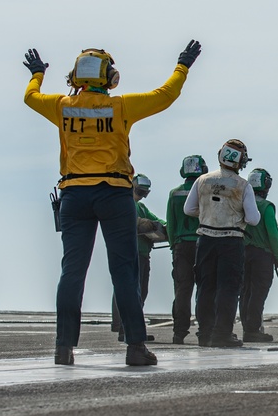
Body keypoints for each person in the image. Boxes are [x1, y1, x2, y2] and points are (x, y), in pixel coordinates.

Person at [22, 40, 201, 365]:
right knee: (124, 271)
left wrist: (37, 74)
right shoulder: (120, 107)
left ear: (74, 78)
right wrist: (182, 65)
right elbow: (165, 95)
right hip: (114, 192)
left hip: (74, 194)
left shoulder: (62, 106)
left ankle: (63, 347)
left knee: (72, 272)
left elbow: (30, 97)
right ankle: (135, 347)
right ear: (110, 78)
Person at [184, 139, 260, 348]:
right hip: (231, 241)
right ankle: (222, 334)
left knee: (205, 287)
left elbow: (188, 210)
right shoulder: (243, 186)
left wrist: (208, 213)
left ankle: (204, 334)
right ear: (241, 161)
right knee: (228, 289)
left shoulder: (202, 181)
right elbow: (253, 219)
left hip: (206, 240)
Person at [111, 173, 165, 342]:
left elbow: (157, 220)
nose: (141, 195)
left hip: (142, 254)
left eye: (144, 193)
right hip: (130, 254)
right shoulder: (125, 204)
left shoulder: (140, 207)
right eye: (139, 191)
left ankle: (133, 328)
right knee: (129, 291)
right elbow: (133, 222)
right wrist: (146, 224)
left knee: (141, 292)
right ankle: (124, 329)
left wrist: (166, 227)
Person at [166, 155, 208, 344]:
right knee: (205, 288)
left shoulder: (174, 194)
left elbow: (170, 224)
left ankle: (179, 332)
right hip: (203, 244)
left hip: (181, 246)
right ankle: (205, 331)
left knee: (182, 290)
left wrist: (173, 244)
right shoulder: (205, 192)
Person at [241, 168, 278, 342]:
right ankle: (253, 331)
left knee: (244, 292)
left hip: (242, 252)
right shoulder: (266, 207)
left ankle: (246, 328)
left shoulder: (240, 203)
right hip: (262, 256)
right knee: (258, 293)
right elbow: (273, 234)